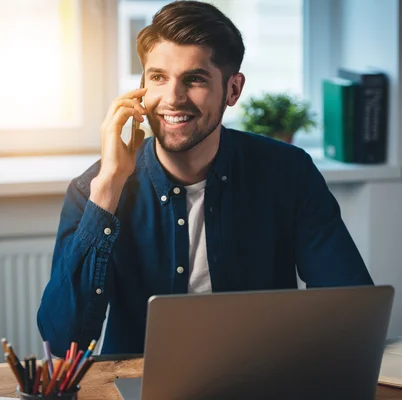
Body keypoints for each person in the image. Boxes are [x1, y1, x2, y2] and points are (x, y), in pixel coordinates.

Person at [37, 0, 373, 357]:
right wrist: (107, 190)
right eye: (158, 78)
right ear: (141, 87)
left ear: (233, 89)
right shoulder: (94, 189)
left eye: (194, 79)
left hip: (261, 377)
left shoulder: (288, 172)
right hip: (141, 383)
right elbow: (63, 341)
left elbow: (349, 308)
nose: (173, 98)